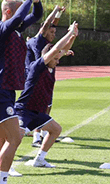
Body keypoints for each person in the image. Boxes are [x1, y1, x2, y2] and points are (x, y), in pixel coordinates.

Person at [0, 0, 43, 184]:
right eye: (18, 12)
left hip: (1, 91)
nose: (22, 18)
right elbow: (19, 18)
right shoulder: (0, 28)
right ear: (8, 12)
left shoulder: (15, 30)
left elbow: (36, 15)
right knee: (15, 137)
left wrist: (36, 1)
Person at [17, 22, 78, 168]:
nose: (58, 61)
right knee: (15, 138)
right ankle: (5, 167)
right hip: (24, 110)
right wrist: (69, 33)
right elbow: (56, 48)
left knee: (56, 130)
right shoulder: (37, 66)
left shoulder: (51, 65)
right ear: (48, 57)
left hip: (38, 112)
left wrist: (73, 36)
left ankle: (39, 159)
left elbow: (62, 49)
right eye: (55, 59)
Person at [25, 5, 63, 148]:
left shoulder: (46, 42)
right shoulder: (38, 40)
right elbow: (47, 24)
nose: (53, 34)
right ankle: (35, 137)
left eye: (54, 32)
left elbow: (52, 25)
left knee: (47, 104)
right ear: (44, 31)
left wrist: (59, 14)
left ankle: (43, 133)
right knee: (38, 106)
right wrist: (55, 10)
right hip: (35, 76)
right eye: (51, 32)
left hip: (43, 74)